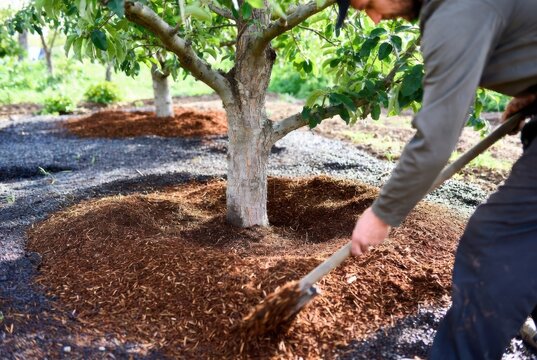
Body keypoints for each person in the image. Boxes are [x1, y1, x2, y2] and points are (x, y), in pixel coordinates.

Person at [340, 0, 537, 358]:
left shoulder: (455, 12)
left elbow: (435, 136)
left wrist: (383, 213)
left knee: (496, 241)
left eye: (367, 2)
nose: (373, 16)